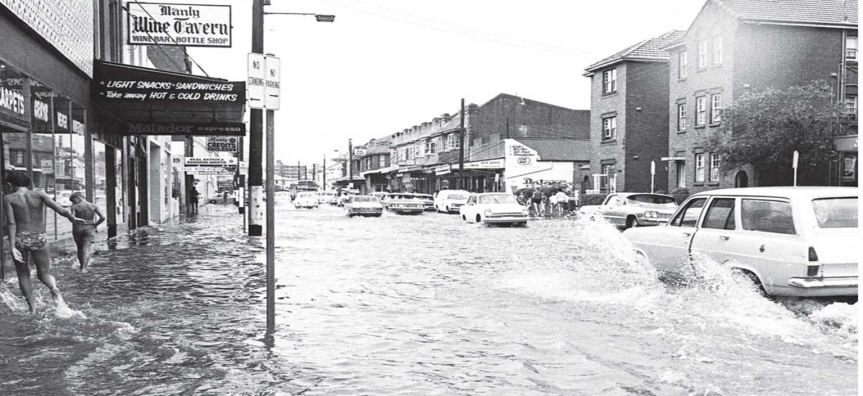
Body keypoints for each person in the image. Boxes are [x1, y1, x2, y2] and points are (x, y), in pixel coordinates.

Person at [3, 171, 84, 314]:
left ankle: (32, 309)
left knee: (23, 275)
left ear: (10, 184)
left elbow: (11, 223)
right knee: (44, 273)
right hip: (39, 237)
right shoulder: (39, 194)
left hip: (20, 238)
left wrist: (12, 246)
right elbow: (59, 209)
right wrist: (72, 218)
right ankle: (53, 288)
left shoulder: (9, 198)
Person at [69, 192, 105, 273]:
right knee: (87, 248)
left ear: (78, 197)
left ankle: (81, 266)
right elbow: (102, 217)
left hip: (78, 228)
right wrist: (95, 224)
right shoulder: (93, 206)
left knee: (79, 248)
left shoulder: (74, 207)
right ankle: (84, 268)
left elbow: (72, 218)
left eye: (73, 200)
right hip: (90, 227)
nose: (73, 202)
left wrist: (76, 222)